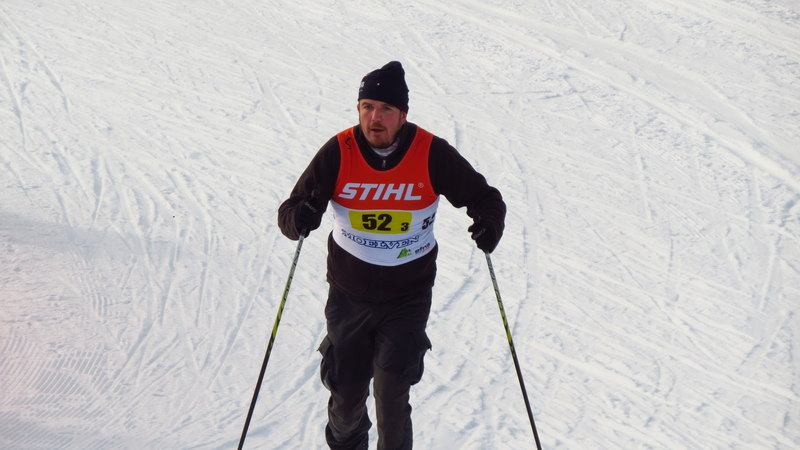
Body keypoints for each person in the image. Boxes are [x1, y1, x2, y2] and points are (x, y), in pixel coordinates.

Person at [277, 61, 506, 450]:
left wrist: (489, 223)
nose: (375, 118)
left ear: (403, 115)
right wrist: (302, 216)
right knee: (346, 399)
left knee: (392, 394)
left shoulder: (431, 153)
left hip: (407, 297)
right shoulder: (338, 152)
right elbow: (289, 215)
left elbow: (487, 199)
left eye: (385, 109)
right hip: (349, 297)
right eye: (367, 107)